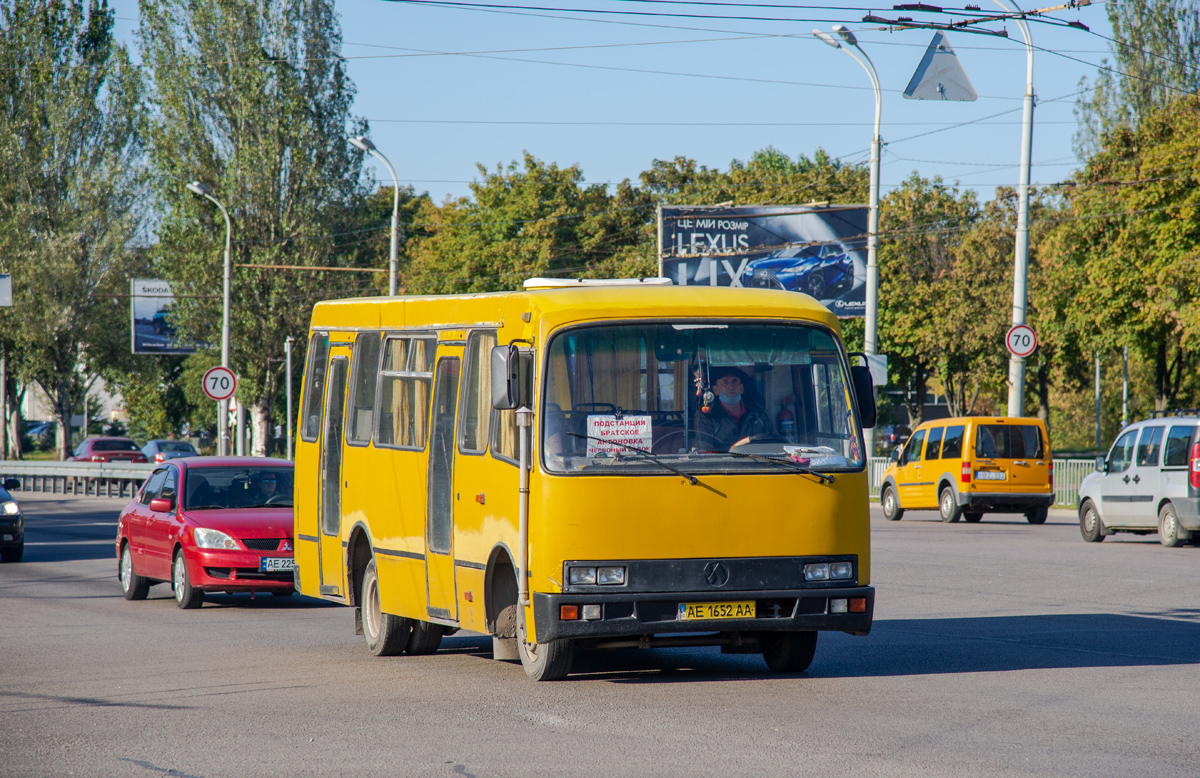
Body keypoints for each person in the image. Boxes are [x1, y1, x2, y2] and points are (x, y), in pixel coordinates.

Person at [696, 366, 774, 451]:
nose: (731, 386)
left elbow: (775, 444)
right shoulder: (707, 418)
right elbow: (704, 453)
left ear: (742, 388)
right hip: (723, 464)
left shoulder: (759, 416)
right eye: (725, 382)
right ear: (715, 390)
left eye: (734, 381)